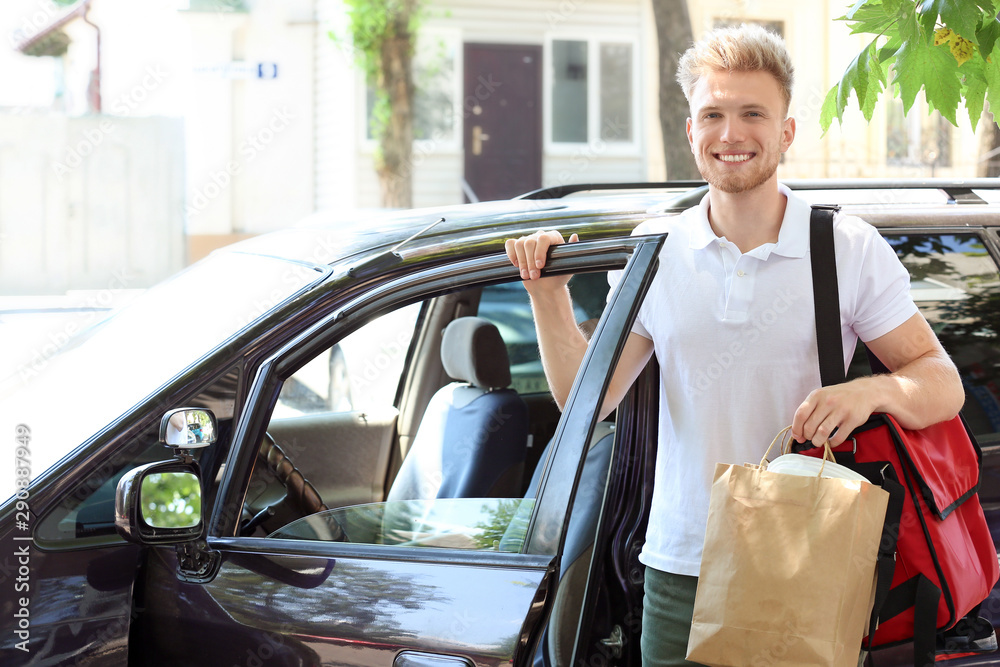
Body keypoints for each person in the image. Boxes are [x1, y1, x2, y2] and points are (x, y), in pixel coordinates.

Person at [505, 24, 964, 667]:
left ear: (786, 132)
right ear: (690, 131)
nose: (731, 134)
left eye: (753, 113)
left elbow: (942, 383)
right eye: (712, 114)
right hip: (676, 567)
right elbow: (590, 398)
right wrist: (546, 294)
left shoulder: (846, 248)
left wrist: (873, 390)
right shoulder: (655, 251)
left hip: (806, 562)